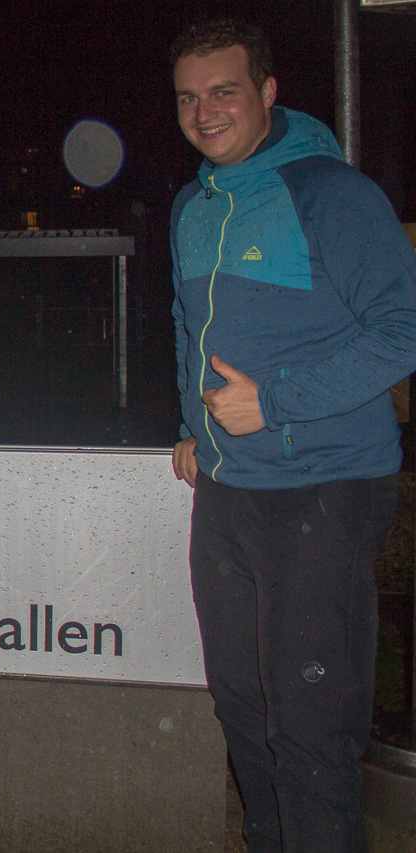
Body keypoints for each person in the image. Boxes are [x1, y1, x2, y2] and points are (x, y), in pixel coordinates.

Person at [168, 18, 416, 852]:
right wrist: (194, 425)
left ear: (268, 92)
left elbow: (405, 328)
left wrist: (273, 403)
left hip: (324, 488)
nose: (205, 112)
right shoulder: (193, 207)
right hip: (228, 490)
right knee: (243, 707)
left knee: (310, 727)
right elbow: (189, 324)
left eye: (224, 91)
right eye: (188, 98)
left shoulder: (332, 194)